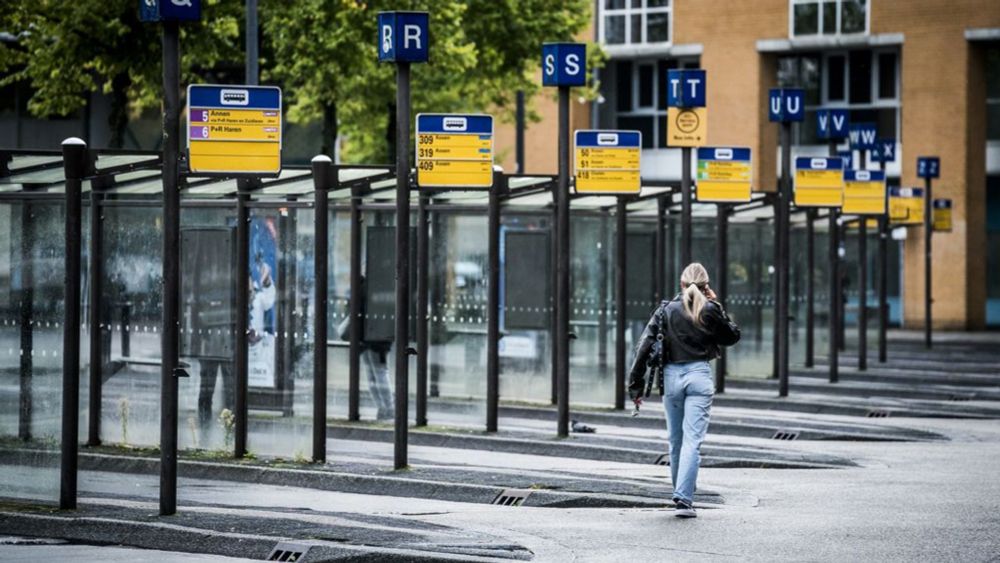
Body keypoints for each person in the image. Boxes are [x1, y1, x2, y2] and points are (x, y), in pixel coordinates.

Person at [629, 262, 740, 518]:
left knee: (675, 440)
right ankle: (684, 498)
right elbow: (732, 337)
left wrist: (635, 384)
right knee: (692, 441)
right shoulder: (709, 309)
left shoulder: (665, 310)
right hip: (698, 376)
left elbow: (643, 346)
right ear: (706, 286)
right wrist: (717, 305)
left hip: (670, 377)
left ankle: (680, 493)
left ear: (681, 284)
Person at [340, 276, 395, 421]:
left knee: (376, 374)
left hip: (369, 337)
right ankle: (386, 408)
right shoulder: (377, 286)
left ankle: (387, 408)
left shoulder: (363, 287)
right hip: (373, 337)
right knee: (376, 373)